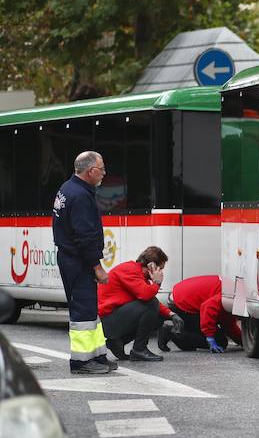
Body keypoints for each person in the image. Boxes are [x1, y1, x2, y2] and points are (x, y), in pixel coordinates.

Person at [53, 151, 115, 374]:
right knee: (82, 311)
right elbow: (84, 237)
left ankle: (97, 355)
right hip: (77, 261)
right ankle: (80, 362)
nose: (104, 173)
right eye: (102, 169)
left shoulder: (67, 189)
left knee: (89, 309)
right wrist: (97, 267)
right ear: (91, 171)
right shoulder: (80, 195)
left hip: (71, 259)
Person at [98, 246, 184, 362]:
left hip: (114, 317)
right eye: (160, 268)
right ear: (151, 266)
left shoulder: (137, 273)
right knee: (151, 304)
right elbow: (147, 297)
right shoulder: (129, 270)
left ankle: (118, 342)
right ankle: (139, 349)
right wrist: (157, 283)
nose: (161, 272)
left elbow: (150, 299)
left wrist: (171, 314)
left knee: (157, 313)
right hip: (108, 319)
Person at [158, 275, 241, 354]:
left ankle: (178, 329)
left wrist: (242, 342)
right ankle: (171, 331)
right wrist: (210, 337)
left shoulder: (234, 288)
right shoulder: (232, 296)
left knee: (193, 342)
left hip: (179, 295)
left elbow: (228, 324)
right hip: (182, 304)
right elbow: (208, 308)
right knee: (220, 342)